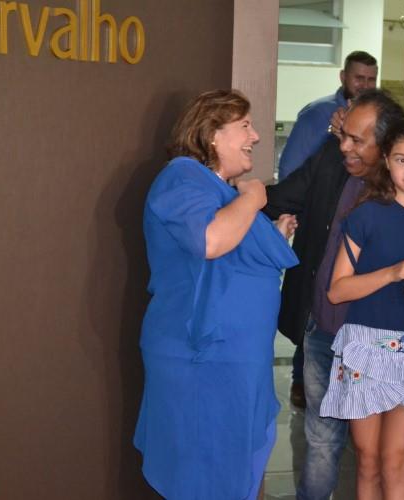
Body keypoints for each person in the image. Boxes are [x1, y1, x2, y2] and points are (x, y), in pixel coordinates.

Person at [133, 90, 298, 500]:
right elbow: (210, 240)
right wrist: (253, 198)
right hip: (202, 359)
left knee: (236, 469)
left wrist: (271, 235)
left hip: (234, 360)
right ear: (211, 134)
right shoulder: (182, 176)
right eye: (245, 126)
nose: (255, 136)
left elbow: (227, 256)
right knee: (204, 474)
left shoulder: (216, 188)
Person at [265, 90, 404, 500]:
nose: (344, 146)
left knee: (374, 454)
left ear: (387, 143)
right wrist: (239, 199)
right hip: (321, 328)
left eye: (357, 140)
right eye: (343, 135)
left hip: (372, 339)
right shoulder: (332, 158)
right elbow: (282, 197)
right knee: (321, 437)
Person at [320, 118, 404, 499]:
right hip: (364, 347)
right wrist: (391, 273)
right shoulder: (366, 215)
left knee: (397, 459)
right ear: (387, 161)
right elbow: (337, 291)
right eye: (402, 160)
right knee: (368, 459)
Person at [278, 50, 378, 181]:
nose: (365, 85)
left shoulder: (379, 117)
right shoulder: (317, 114)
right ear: (343, 77)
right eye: (359, 78)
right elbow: (289, 169)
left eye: (371, 80)